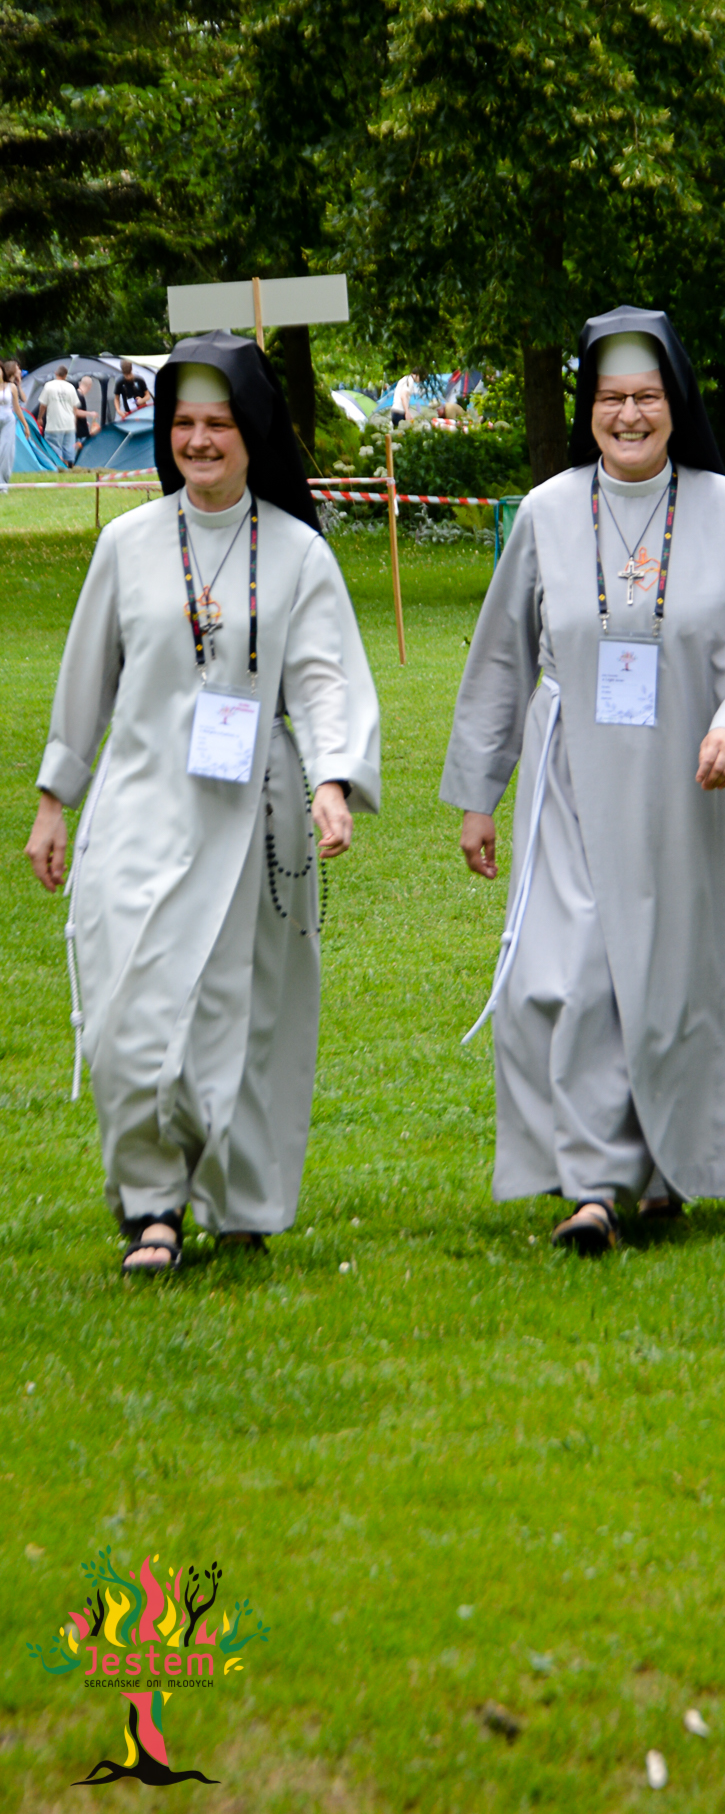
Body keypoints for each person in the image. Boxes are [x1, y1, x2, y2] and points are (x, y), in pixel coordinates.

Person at [24, 331, 381, 1275]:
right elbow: (86, 679)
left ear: (252, 431)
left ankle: (235, 1199)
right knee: (126, 1015)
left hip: (250, 815)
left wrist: (333, 780)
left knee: (242, 1013)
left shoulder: (298, 552)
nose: (199, 440)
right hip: (139, 807)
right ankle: (151, 1202)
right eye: (183, 422)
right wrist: (55, 800)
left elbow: (326, 679)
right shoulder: (127, 544)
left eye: (218, 422)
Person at [441, 306, 725, 1253]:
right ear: (586, 408)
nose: (628, 415)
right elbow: (501, 656)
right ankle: (593, 1184)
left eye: (645, 397)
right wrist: (479, 793)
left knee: (677, 976)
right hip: (574, 780)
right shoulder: (547, 511)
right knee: (572, 973)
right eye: (609, 398)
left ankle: (666, 1170)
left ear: (675, 405)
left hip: (692, 776)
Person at [38, 366, 81, 466]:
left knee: (54, 449)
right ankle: (68, 468)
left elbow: (43, 404)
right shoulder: (71, 387)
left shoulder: (49, 386)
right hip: (69, 424)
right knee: (68, 450)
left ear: (55, 373)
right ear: (65, 376)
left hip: (54, 424)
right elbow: (74, 408)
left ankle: (58, 467)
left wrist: (40, 417)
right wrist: (74, 423)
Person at [0, 359, 20, 492]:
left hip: (8, 421)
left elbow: (17, 408)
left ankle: (3, 484)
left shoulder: (11, 387)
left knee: (6, 452)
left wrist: (26, 425)